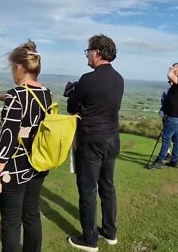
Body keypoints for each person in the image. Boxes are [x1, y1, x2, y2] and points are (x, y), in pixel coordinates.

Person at [0, 40, 51, 252]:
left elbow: (7, 137)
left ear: (18, 67)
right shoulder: (46, 93)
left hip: (14, 169)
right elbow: (26, 100)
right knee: (32, 214)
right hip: (38, 164)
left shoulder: (16, 95)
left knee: (12, 222)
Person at [66, 34, 124, 252]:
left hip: (91, 141)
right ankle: (110, 232)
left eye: (88, 51)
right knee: (107, 186)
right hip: (112, 139)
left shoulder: (88, 79)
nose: (87, 55)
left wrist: (73, 91)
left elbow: (72, 108)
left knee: (88, 190)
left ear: (97, 52)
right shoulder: (119, 78)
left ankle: (89, 240)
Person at [148, 62, 178, 169]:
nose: (173, 70)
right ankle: (174, 161)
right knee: (177, 139)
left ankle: (159, 161)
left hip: (174, 116)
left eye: (175, 68)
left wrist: (172, 69)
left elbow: (170, 75)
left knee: (166, 139)